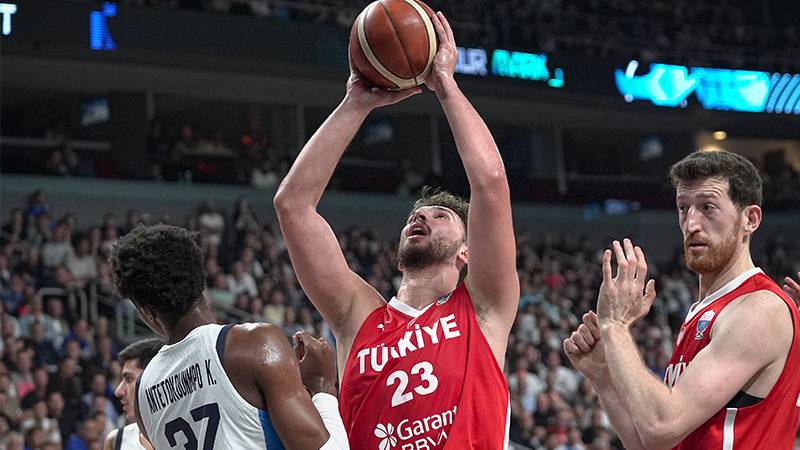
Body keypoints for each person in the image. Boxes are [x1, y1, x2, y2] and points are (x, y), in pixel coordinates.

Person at [274, 11, 518, 450]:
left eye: (440, 216)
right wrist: (355, 103)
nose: (420, 218)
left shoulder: (483, 307)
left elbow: (491, 183)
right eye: (416, 215)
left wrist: (445, 83)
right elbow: (292, 207)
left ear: (466, 252)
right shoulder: (358, 315)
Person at [564, 150, 800, 449]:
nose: (691, 224)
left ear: (750, 219)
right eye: (683, 208)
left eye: (707, 207)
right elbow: (651, 444)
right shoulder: (705, 311)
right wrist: (603, 377)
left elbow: (661, 427)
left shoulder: (760, 308)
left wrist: (615, 326)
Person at [110, 224, 349, 449]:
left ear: (147, 313)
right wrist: (322, 387)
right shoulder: (254, 344)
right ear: (201, 279)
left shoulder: (143, 395)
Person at [102, 338, 162, 450]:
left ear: (155, 378)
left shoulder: (193, 430)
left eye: (129, 379)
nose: (118, 391)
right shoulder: (115, 441)